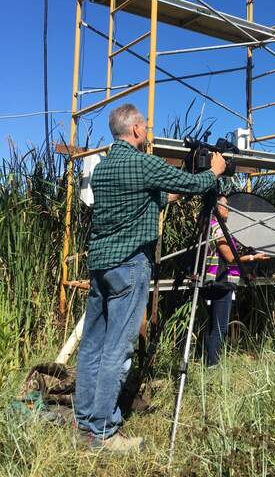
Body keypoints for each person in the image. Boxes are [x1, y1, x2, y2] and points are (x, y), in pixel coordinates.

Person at [74, 103, 226, 452]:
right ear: (137, 130)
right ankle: (103, 432)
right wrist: (213, 171)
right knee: (117, 349)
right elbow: (191, 183)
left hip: (101, 268)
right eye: (147, 126)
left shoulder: (105, 169)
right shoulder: (143, 163)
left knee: (94, 346)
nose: (149, 131)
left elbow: (156, 197)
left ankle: (84, 424)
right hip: (129, 267)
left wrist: (183, 179)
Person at [203, 195, 269, 367]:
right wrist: (252, 257)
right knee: (220, 327)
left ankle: (208, 361)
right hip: (221, 282)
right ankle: (213, 365)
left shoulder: (206, 224)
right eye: (225, 205)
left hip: (213, 280)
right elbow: (230, 257)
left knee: (212, 325)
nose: (228, 209)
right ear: (216, 206)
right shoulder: (217, 228)